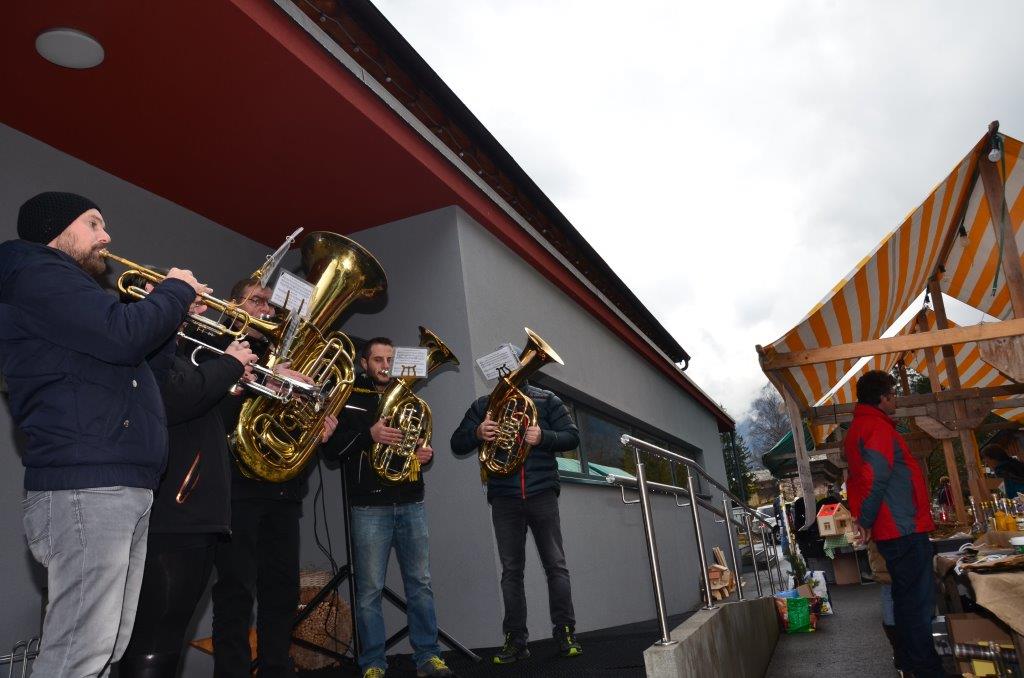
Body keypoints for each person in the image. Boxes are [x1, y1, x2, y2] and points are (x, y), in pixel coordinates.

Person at [0, 192, 206, 677]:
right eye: (94, 224)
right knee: (79, 651)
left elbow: (140, 363)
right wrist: (172, 293)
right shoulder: (37, 273)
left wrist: (171, 322)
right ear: (57, 231)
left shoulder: (77, 297)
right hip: (88, 485)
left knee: (107, 644)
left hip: (119, 484)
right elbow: (123, 335)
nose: (107, 237)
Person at [118, 289, 257, 676]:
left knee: (166, 636)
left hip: (194, 514)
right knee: (156, 636)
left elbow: (206, 419)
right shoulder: (145, 354)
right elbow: (177, 399)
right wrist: (229, 364)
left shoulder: (174, 356)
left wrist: (235, 386)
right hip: (175, 515)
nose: (190, 314)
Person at [210, 277, 336, 678]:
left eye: (271, 304)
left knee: (280, 592)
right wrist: (261, 381)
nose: (266, 309)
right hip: (237, 489)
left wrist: (316, 427)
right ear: (234, 304)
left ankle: (277, 669)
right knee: (235, 591)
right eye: (258, 300)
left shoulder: (288, 356)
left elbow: (293, 428)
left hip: (282, 491)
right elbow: (215, 417)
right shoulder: (219, 349)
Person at [324, 337, 453, 678]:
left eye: (389, 359)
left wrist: (424, 454)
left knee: (420, 584)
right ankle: (374, 663)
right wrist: (370, 434)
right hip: (369, 506)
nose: (384, 365)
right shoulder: (348, 398)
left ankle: (427, 656)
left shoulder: (411, 399)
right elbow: (331, 451)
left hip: (410, 502)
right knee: (368, 591)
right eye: (377, 359)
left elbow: (416, 444)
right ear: (363, 364)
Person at [450, 376, 582, 665]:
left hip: (542, 493)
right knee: (511, 572)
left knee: (556, 566)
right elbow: (457, 443)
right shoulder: (485, 405)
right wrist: (477, 432)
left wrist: (543, 437)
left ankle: (565, 632)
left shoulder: (547, 400)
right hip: (504, 497)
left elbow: (572, 436)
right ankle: (515, 640)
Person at [845, 370, 942, 678]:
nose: (896, 398)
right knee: (916, 605)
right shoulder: (875, 427)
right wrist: (866, 520)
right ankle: (926, 669)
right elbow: (875, 479)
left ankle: (913, 664)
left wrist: (867, 520)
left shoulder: (864, 427)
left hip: (895, 526)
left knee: (905, 600)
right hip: (902, 527)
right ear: (883, 397)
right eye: (893, 393)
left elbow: (864, 480)